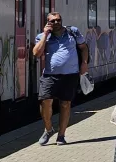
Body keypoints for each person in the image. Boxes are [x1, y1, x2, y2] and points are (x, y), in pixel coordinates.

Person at [31, 12, 89, 145]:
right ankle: (48, 129)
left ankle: (61, 135)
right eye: (53, 21)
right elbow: (36, 53)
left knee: (65, 104)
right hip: (50, 75)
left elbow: (83, 47)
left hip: (70, 75)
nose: (56, 23)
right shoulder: (42, 36)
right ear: (47, 22)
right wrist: (45, 35)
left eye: (58, 20)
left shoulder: (72, 32)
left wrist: (84, 63)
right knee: (44, 101)